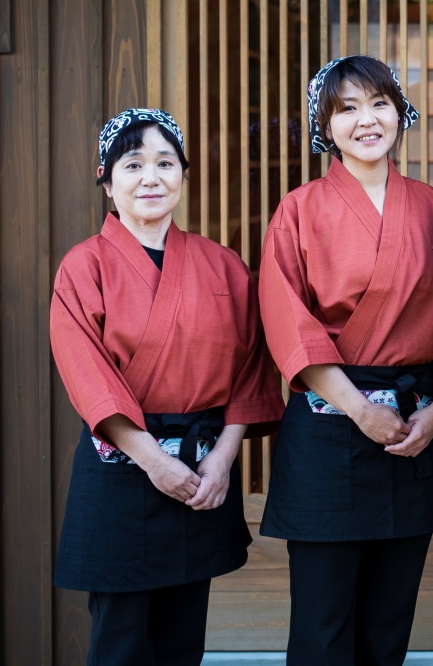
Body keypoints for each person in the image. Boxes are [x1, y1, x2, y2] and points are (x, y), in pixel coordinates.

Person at [259, 55, 433, 666]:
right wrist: (359, 410)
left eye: (379, 103)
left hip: (413, 430)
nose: (367, 120)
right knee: (322, 624)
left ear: (400, 112)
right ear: (325, 126)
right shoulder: (299, 210)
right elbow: (290, 323)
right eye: (347, 108)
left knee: (390, 623)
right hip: (330, 429)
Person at [52, 108, 284, 666]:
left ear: (183, 173)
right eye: (132, 165)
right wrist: (153, 461)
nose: (150, 177)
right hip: (123, 472)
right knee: (121, 642)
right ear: (107, 181)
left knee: (183, 641)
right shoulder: (83, 266)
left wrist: (224, 459)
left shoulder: (223, 265)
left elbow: (252, 369)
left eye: (164, 162)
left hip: (202, 471)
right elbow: (88, 375)